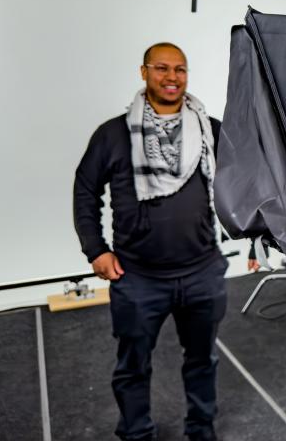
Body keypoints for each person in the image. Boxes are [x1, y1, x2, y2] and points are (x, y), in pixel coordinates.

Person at [73, 43, 225, 441]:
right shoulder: (114, 134)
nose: (172, 77)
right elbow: (85, 189)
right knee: (133, 365)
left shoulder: (211, 129)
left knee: (202, 360)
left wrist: (256, 235)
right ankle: (137, 433)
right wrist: (96, 249)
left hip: (202, 272)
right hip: (139, 278)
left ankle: (201, 430)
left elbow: (244, 181)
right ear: (144, 73)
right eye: (162, 68)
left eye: (180, 69)